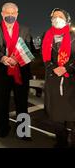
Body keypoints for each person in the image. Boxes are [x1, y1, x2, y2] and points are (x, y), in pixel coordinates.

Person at [0, 2, 35, 139]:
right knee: (2, 102)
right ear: (2, 14)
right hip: (2, 71)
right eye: (7, 13)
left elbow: (30, 48)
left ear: (17, 14)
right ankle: (3, 128)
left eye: (13, 13)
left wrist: (17, 59)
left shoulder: (25, 30)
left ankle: (23, 131)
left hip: (20, 71)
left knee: (22, 103)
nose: (10, 16)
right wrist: (2, 58)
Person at [42, 8, 75, 148]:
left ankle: (73, 138)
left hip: (71, 79)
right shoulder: (47, 35)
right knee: (56, 111)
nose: (57, 19)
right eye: (54, 16)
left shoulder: (73, 35)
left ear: (67, 19)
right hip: (53, 78)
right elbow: (45, 57)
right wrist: (52, 67)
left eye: (60, 16)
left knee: (72, 110)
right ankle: (60, 139)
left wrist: (67, 68)